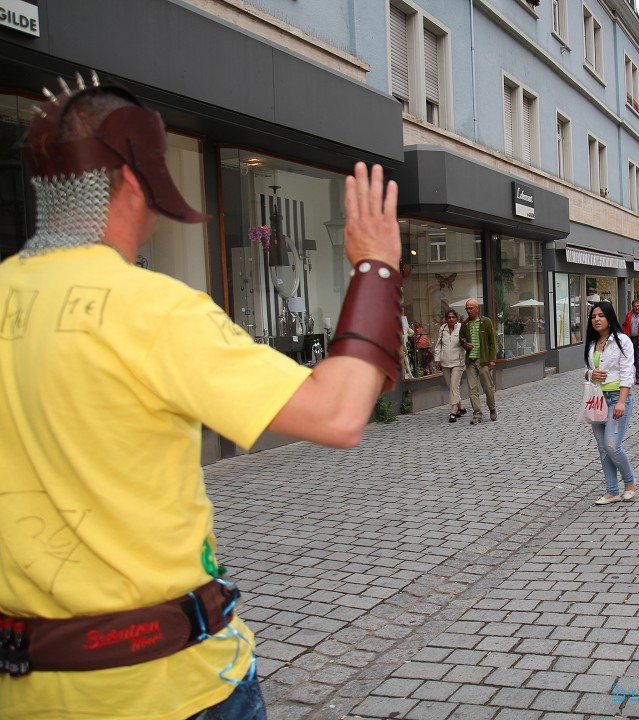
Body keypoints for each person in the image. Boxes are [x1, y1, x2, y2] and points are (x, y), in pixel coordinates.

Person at [0, 79, 403, 720]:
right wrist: (376, 267)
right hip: (168, 684)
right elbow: (338, 413)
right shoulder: (153, 308)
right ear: (136, 180)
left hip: (26, 691)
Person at [584, 302, 637, 505]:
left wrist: (622, 401)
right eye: (593, 316)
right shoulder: (592, 343)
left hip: (617, 398)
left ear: (609, 318)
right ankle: (612, 490)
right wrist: (591, 373)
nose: (596, 319)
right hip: (598, 399)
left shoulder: (622, 341)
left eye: (601, 316)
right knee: (603, 448)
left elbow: (627, 373)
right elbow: (587, 371)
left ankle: (630, 483)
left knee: (612, 445)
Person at [461, 298, 497, 424]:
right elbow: (462, 339)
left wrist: (492, 360)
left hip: (484, 361)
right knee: (472, 389)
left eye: (471, 308)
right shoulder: (465, 324)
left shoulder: (486, 322)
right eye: (467, 308)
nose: (469, 311)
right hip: (470, 362)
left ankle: (492, 408)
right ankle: (477, 414)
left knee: (488, 388)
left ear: (477, 308)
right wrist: (466, 345)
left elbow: (493, 341)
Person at [434, 309, 467, 422]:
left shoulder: (462, 328)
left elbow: (466, 344)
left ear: (456, 318)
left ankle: (453, 410)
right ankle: (461, 407)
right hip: (445, 362)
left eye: (453, 317)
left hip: (458, 362)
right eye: (449, 317)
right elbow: (438, 345)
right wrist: (437, 359)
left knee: (454, 385)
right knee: (451, 386)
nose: (451, 319)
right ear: (446, 319)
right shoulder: (442, 329)